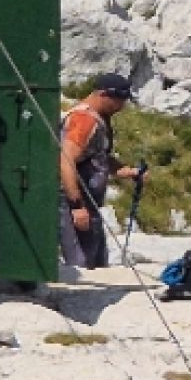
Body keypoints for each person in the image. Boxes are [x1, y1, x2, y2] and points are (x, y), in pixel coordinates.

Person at [59, 72, 144, 269]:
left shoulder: (100, 119)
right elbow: (65, 160)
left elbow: (98, 157)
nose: (121, 106)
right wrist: (76, 206)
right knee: (81, 263)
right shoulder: (84, 120)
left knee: (97, 262)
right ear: (104, 95)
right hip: (74, 203)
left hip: (90, 204)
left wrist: (128, 171)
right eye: (119, 100)